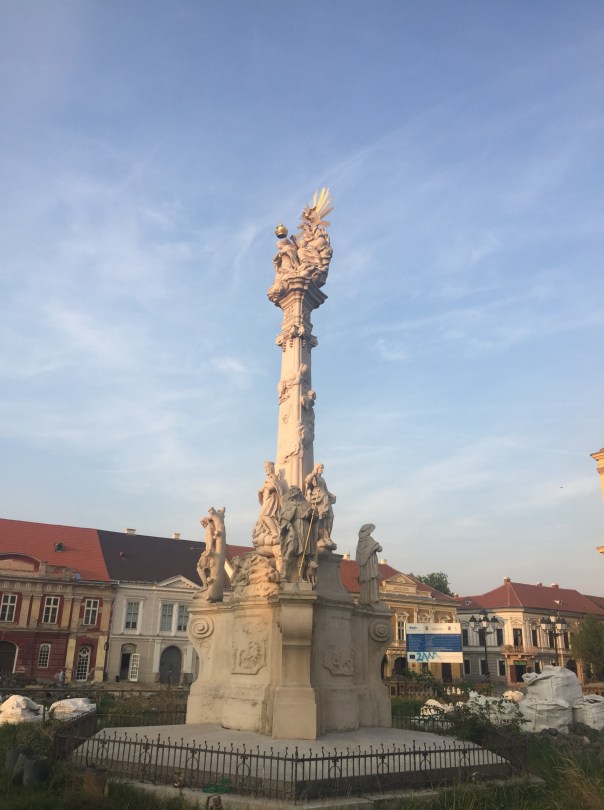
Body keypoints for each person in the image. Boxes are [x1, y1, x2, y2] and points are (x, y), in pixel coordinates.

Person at [304, 463, 336, 549]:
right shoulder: (313, 476)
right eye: (321, 468)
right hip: (318, 498)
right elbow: (307, 481)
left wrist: (332, 495)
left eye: (323, 468)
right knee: (320, 518)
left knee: (330, 517)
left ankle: (327, 537)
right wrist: (313, 473)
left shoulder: (322, 479)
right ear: (316, 468)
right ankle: (320, 537)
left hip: (325, 499)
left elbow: (326, 490)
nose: (322, 470)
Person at [356, 523, 382, 605]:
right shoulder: (369, 539)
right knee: (372, 578)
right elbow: (380, 549)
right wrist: (376, 544)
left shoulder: (360, 542)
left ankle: (365, 598)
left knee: (366, 581)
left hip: (364, 565)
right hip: (370, 562)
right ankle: (373, 597)